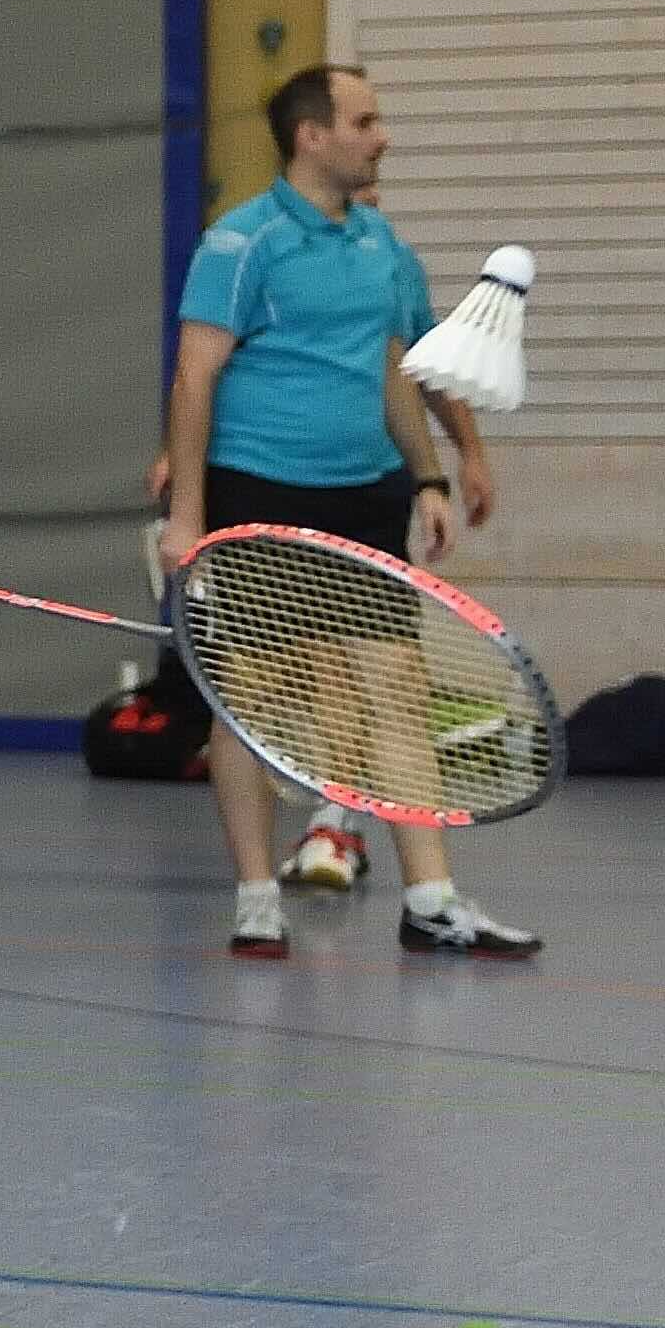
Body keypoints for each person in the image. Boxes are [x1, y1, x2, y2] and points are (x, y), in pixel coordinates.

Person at [158, 65, 540, 959]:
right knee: (250, 700)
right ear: (312, 135)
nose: (382, 136)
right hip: (260, 492)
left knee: (396, 687)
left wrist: (449, 467)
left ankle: (432, 901)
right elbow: (194, 376)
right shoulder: (242, 241)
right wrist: (187, 513)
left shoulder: (382, 245)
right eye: (365, 121)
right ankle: (258, 897)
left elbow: (409, 361)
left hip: (366, 494)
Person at [269, 178, 503, 892]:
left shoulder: (392, 261)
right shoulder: (264, 247)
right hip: (282, 478)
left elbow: (420, 363)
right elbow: (216, 365)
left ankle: (340, 827)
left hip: (368, 487)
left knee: (382, 668)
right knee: (320, 665)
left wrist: (462, 457)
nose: (368, 182)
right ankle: (333, 820)